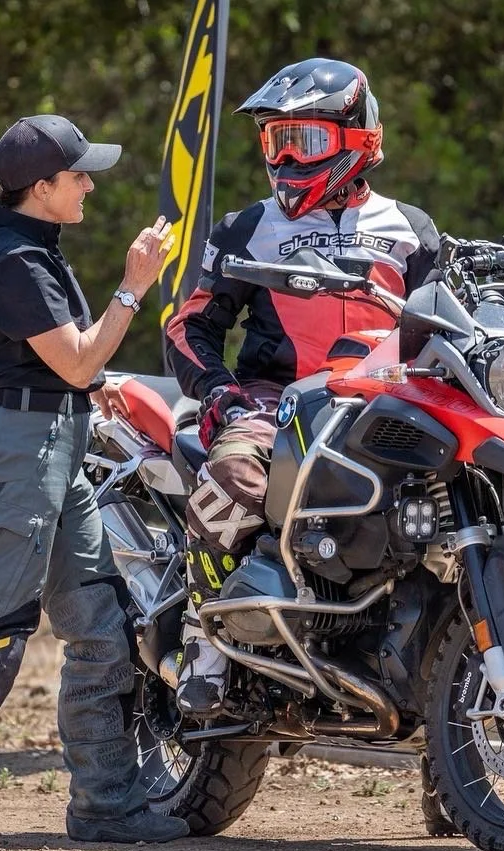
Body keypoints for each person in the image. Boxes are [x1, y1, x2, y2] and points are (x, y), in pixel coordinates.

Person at [0, 114, 190, 848]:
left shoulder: (32, 248)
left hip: (55, 442)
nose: (89, 183)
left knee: (102, 623)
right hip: (19, 454)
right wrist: (133, 287)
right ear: (40, 187)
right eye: (79, 174)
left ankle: (106, 802)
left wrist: (91, 386)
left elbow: (65, 367)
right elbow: (77, 358)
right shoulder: (13, 260)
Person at [164, 58, 442, 715]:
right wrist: (222, 396)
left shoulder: (414, 230)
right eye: (275, 141)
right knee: (230, 480)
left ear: (358, 138)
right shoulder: (248, 226)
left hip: (385, 403)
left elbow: (442, 325)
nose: (287, 156)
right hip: (276, 402)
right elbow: (187, 328)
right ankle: (203, 642)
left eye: (305, 140)